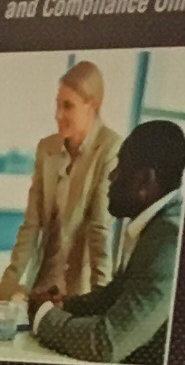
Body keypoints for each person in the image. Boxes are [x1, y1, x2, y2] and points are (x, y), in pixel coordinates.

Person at [32, 117, 185, 365]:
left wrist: (43, 316)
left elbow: (107, 343)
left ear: (145, 181)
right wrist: (65, 304)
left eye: (121, 167)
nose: (111, 176)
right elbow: (118, 295)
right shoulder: (157, 226)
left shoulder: (169, 243)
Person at [9, 64, 117, 310]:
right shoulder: (46, 148)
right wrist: (6, 289)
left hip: (79, 294)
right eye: (57, 104)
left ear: (94, 105)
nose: (57, 114)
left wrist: (100, 302)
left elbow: (99, 231)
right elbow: (30, 226)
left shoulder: (110, 149)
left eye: (68, 106)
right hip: (40, 287)